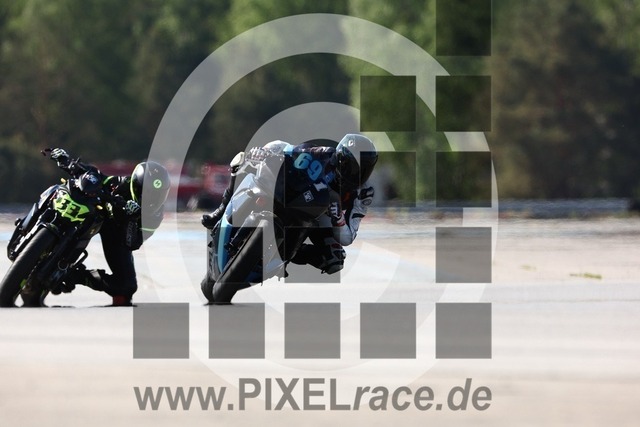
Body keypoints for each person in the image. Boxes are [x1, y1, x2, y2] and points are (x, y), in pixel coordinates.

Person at [201, 134, 378, 275]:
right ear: (340, 159)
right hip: (298, 194)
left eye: (365, 169)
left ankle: (289, 253)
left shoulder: (363, 194)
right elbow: (288, 149)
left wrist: (338, 218)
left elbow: (347, 237)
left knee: (334, 259)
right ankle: (222, 210)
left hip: (322, 215)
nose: (358, 175)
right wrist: (265, 152)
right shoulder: (323, 154)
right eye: (354, 167)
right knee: (245, 162)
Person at [44, 148, 170, 306]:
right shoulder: (120, 184)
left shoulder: (154, 216)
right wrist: (67, 161)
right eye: (149, 193)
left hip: (117, 235)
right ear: (136, 185)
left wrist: (131, 219)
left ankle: (75, 275)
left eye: (158, 194)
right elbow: (95, 175)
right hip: (91, 217)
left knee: (127, 287)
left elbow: (133, 243)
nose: (153, 199)